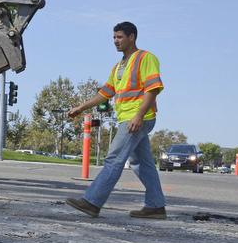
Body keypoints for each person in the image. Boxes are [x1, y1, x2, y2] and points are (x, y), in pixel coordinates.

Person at [64, 21, 167, 219]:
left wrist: (138, 116)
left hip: (137, 118)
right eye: (114, 37)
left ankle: (92, 202)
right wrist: (80, 108)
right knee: (142, 163)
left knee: (114, 158)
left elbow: (152, 89)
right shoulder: (118, 67)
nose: (115, 41)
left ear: (132, 37)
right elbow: (105, 93)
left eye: (119, 37)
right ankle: (156, 206)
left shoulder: (145, 58)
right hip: (127, 118)